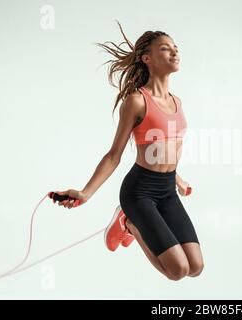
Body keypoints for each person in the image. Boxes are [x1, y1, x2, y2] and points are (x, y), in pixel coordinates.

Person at [55, 21, 203, 281]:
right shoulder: (136, 101)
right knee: (177, 270)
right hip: (139, 192)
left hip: (167, 190)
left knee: (196, 267)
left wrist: (177, 179)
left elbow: (167, 148)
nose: (175, 52)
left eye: (176, 48)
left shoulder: (177, 102)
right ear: (147, 58)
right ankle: (129, 223)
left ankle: (133, 221)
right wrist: (85, 193)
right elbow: (114, 155)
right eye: (165, 49)